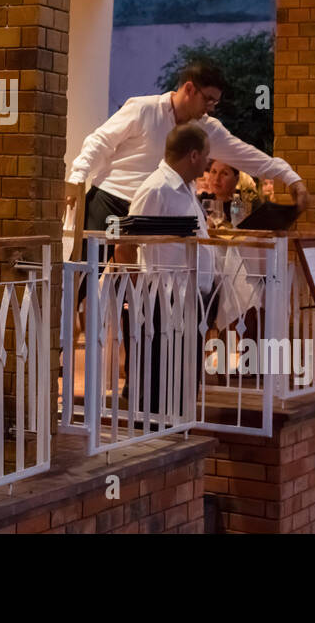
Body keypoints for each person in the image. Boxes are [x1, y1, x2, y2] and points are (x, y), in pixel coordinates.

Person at [67, 61, 310, 235]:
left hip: (157, 210)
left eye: (216, 101)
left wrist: (292, 178)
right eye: (208, 99)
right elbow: (100, 141)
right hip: (111, 198)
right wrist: (77, 178)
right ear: (190, 89)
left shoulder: (208, 129)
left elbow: (248, 155)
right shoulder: (143, 108)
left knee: (142, 286)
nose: (212, 107)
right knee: (84, 276)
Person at [121, 123, 212, 414]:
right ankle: (152, 431)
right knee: (158, 375)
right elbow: (126, 244)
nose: (209, 162)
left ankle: (178, 426)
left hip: (189, 294)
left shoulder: (186, 188)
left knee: (184, 374)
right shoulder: (156, 188)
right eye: (207, 155)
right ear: (194, 155)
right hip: (161, 294)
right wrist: (135, 298)